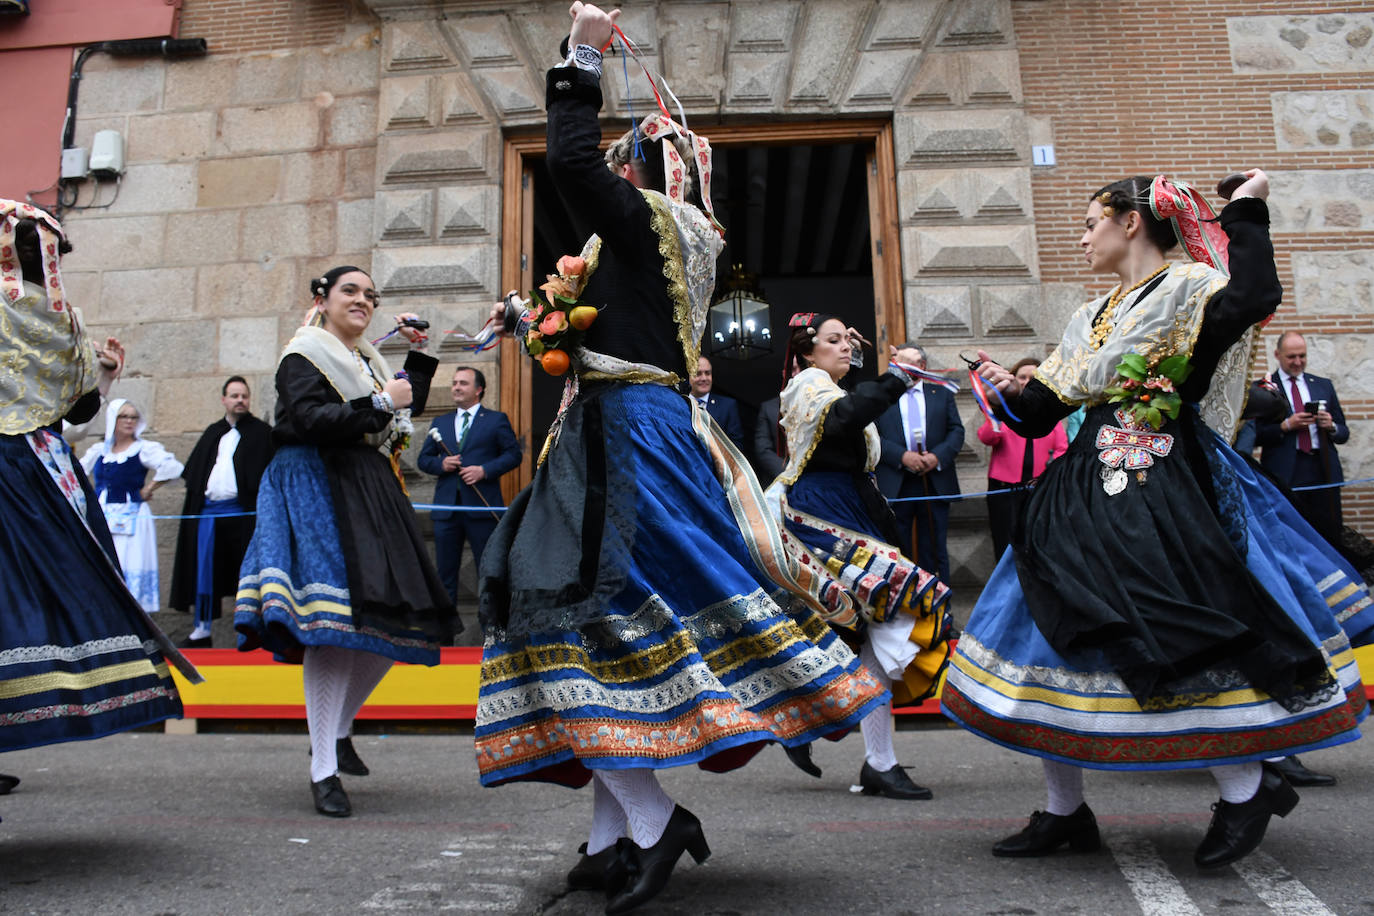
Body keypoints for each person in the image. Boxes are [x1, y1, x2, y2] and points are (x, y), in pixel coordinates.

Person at [475, 5, 888, 912]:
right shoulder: (682, 241)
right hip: (639, 428)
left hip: (623, 438)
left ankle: (657, 824)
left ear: (650, 170)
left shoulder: (649, 218)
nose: (614, 166)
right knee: (602, 608)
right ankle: (608, 837)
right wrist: (529, 321)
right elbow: (605, 321)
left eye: (628, 156)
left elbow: (574, 163)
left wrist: (580, 55)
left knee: (565, 607)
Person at [940, 170, 1366, 870]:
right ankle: (1064, 809)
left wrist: (1248, 207)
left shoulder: (1190, 288)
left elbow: (1255, 298)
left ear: (1130, 222)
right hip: (1081, 483)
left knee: (1176, 620)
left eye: (1089, 223)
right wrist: (1004, 389)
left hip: (1163, 477)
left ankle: (1245, 786)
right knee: (1044, 625)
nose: (1082, 238)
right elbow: (1044, 409)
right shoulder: (1088, 315)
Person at [234, 266, 458, 818]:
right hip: (314, 482)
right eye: (350, 291)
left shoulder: (366, 361)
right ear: (322, 299)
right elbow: (310, 419)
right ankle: (324, 771)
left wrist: (419, 356)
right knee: (330, 628)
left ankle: (332, 731)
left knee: (397, 618)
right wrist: (382, 403)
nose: (363, 300)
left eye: (370, 295)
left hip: (368, 484)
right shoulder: (304, 353)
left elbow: (400, 406)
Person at [0, 200, 197, 808]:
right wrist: (100, 378)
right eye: (39, 252)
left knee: (34, 604)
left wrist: (104, 377)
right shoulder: (63, 317)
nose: (44, 263)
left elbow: (79, 409)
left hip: (35, 473)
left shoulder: (64, 319)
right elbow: (79, 408)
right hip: (35, 473)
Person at [765, 313, 953, 799]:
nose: (845, 346)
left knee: (862, 630)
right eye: (833, 340)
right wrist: (899, 376)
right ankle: (847, 744)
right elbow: (844, 420)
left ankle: (868, 756)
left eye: (849, 339)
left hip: (850, 511)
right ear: (807, 352)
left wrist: (872, 368)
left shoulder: (834, 386)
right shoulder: (807, 383)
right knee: (884, 616)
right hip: (818, 514)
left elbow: (853, 414)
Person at [168, 376, 274, 648]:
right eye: (234, 395)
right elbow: (194, 477)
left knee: (247, 573)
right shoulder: (212, 432)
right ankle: (201, 630)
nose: (240, 400)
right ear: (224, 400)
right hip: (209, 515)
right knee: (205, 571)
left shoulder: (261, 433)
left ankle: (251, 629)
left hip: (243, 516)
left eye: (244, 396)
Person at [416, 366, 521, 606]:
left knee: (488, 575)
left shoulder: (496, 420)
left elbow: (513, 455)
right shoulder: (440, 422)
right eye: (454, 383)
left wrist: (484, 470)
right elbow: (423, 461)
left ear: (478, 390)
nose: (456, 387)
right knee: (444, 576)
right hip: (446, 511)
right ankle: (445, 640)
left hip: (481, 511)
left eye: (463, 383)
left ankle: (492, 634)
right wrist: (442, 464)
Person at [79, 399, 184, 614]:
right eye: (124, 416)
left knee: (130, 561)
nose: (129, 421)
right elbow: (76, 472)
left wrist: (149, 489)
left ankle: (132, 615)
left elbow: (172, 467)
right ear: (113, 420)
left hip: (133, 518)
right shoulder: (100, 451)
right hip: (103, 518)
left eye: (133, 417)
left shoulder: (143, 449)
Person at [875, 343, 963, 585]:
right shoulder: (882, 396)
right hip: (897, 482)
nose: (902, 368)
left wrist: (937, 457)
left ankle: (941, 611)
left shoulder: (942, 394)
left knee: (934, 550)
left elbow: (956, 431)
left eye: (909, 363)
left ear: (922, 367)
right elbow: (873, 436)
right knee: (897, 549)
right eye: (898, 363)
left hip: (934, 482)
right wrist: (902, 456)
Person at [1256, 331, 1348, 548]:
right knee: (1291, 533)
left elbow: (1344, 433)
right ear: (1277, 354)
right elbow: (1255, 434)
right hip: (1285, 471)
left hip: (1322, 467)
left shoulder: (1323, 385)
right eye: (1291, 357)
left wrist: (1331, 426)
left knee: (1330, 533)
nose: (1298, 362)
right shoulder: (1263, 388)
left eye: (1302, 356)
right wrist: (1286, 426)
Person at [976, 358, 1069, 560]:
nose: (1027, 381)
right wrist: (995, 416)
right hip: (1004, 489)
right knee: (1004, 542)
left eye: (1033, 378)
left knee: (1037, 545)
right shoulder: (1006, 412)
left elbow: (1062, 448)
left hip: (1037, 488)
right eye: (1022, 377)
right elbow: (987, 437)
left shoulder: (1048, 417)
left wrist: (1048, 477)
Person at [688, 355, 746, 453]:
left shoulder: (728, 406)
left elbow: (736, 445)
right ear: (688, 377)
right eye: (698, 374)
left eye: (707, 373)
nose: (704, 378)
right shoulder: (679, 404)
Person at [752, 395, 785, 483]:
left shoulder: (816, 406)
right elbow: (762, 449)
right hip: (776, 476)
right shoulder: (769, 407)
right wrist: (788, 474)